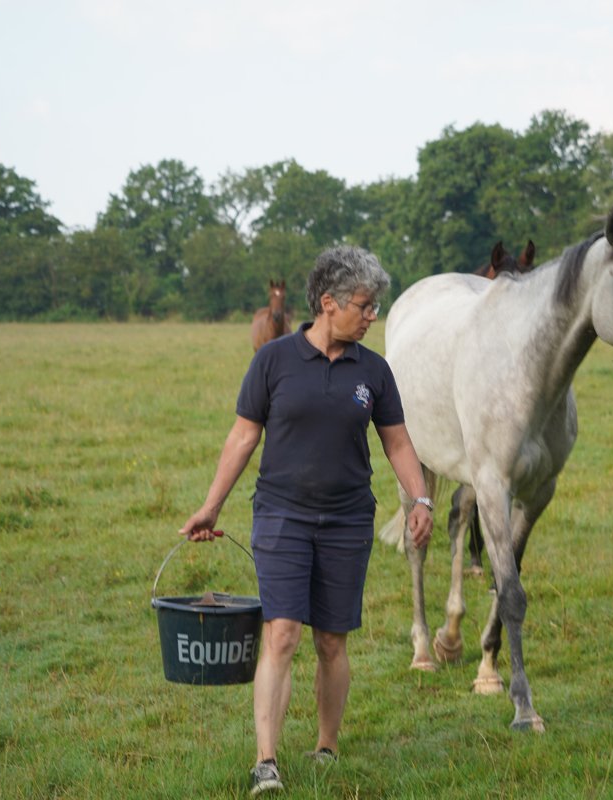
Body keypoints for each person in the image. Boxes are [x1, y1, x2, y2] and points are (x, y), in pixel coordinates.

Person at [179, 245, 433, 795]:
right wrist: (211, 505)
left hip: (347, 520)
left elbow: (397, 441)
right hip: (281, 516)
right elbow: (243, 436)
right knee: (283, 633)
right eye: (364, 306)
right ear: (328, 303)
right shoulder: (273, 361)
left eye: (375, 306)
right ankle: (265, 761)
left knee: (332, 641)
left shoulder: (374, 370)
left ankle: (326, 747)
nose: (372, 316)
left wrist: (421, 500)